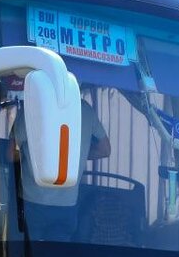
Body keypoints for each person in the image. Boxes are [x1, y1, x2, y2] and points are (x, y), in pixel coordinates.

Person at [11, 96, 110, 241]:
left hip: (32, 201)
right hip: (66, 204)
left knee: (28, 252)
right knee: (58, 253)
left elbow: (10, 154)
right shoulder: (85, 109)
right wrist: (77, 156)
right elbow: (105, 150)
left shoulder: (33, 106)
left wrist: (27, 154)